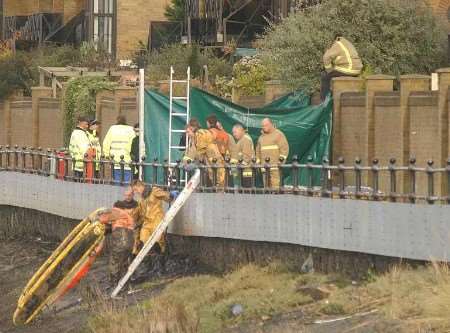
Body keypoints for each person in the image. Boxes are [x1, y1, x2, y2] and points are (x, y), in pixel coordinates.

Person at [130, 180, 179, 256]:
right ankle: (149, 259)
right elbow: (140, 214)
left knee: (158, 241)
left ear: (140, 186)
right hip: (147, 223)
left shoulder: (154, 191)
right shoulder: (141, 200)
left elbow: (166, 197)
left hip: (157, 220)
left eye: (136, 190)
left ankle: (162, 256)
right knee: (143, 240)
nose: (136, 192)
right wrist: (136, 222)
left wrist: (171, 195)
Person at [183, 118, 225, 188]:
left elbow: (200, 151)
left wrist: (194, 163)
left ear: (192, 128)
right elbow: (193, 152)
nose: (188, 134)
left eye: (188, 132)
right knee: (215, 181)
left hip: (214, 161)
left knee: (219, 181)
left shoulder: (200, 134)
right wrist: (186, 162)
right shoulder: (196, 137)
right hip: (211, 163)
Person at [321, 35, 362, 101]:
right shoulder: (347, 43)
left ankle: (324, 102)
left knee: (325, 76)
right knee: (333, 73)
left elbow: (326, 57)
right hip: (356, 70)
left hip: (347, 69)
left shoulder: (337, 44)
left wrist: (329, 70)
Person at [256, 118, 289, 189]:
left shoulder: (279, 134)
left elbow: (284, 149)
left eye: (266, 125)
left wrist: (280, 162)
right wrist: (258, 163)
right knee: (266, 190)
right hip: (264, 168)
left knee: (276, 189)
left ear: (271, 124)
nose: (264, 127)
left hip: (275, 168)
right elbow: (258, 152)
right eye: (263, 126)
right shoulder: (261, 138)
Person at [103, 115, 136, 184]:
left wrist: (106, 155)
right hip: (127, 160)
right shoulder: (130, 129)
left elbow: (106, 143)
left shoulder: (112, 129)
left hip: (114, 160)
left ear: (117, 120)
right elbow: (134, 144)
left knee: (116, 183)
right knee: (127, 184)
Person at [231, 124, 255, 188]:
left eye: (235, 132)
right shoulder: (242, 140)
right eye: (233, 133)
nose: (234, 134)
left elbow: (246, 156)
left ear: (241, 130)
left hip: (247, 171)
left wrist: (239, 166)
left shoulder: (245, 139)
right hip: (244, 170)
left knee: (246, 191)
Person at [69, 116, 92, 180]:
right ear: (80, 123)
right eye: (86, 124)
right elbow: (84, 149)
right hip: (81, 164)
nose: (87, 126)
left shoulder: (76, 132)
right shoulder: (80, 133)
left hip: (76, 163)